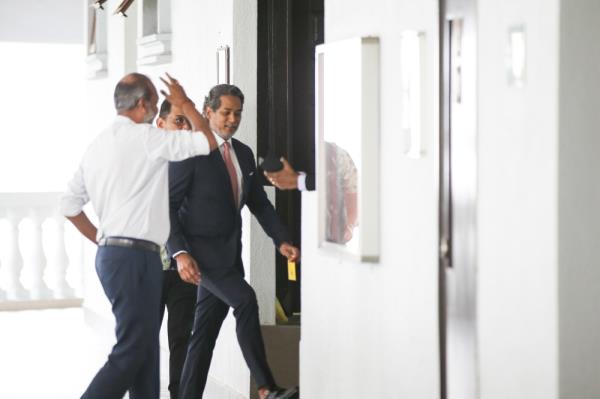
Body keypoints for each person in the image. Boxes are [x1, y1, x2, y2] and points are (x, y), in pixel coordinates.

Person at [60, 72, 217, 399]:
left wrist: (104, 240)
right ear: (144, 104)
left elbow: (69, 205)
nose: (157, 109)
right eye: (157, 103)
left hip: (112, 256)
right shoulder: (147, 138)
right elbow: (207, 140)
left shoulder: (98, 145)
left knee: (146, 351)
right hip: (135, 258)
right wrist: (184, 102)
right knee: (133, 349)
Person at [167, 84, 300, 399]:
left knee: (203, 336)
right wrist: (180, 252)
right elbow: (167, 207)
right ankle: (267, 388)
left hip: (228, 257)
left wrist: (281, 240)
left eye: (237, 113)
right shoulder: (190, 152)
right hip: (200, 258)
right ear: (208, 112)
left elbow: (259, 203)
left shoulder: (243, 152)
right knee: (245, 300)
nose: (232, 119)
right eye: (225, 112)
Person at [155, 99, 198, 399]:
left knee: (182, 339)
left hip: (185, 265)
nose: (185, 128)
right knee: (142, 341)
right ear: (161, 124)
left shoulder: (197, 162)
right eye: (178, 121)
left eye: (189, 122)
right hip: (148, 267)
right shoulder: (145, 162)